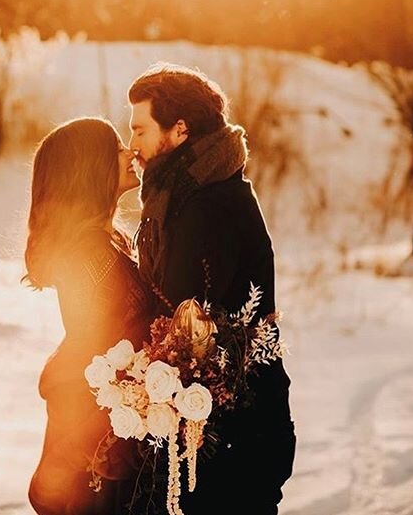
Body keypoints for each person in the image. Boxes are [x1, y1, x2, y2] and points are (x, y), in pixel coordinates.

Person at [128, 62, 297, 515]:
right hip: (233, 430)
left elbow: (185, 323)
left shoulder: (207, 205)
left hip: (235, 439)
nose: (133, 145)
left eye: (140, 130)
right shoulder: (199, 192)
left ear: (179, 129)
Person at [23, 116, 155, 515]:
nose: (129, 151)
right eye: (115, 148)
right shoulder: (88, 256)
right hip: (95, 448)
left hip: (106, 436)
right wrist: (102, 450)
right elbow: (93, 347)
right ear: (89, 168)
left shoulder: (100, 246)